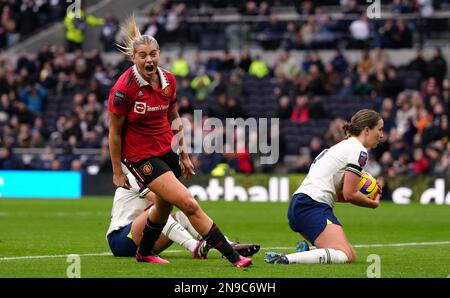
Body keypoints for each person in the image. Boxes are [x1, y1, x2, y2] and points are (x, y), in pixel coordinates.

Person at [108, 16, 252, 267]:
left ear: (159, 54)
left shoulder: (169, 81)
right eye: (142, 55)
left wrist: (183, 154)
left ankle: (143, 253)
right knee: (188, 203)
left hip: (166, 152)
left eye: (153, 54)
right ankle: (234, 256)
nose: (149, 59)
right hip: (141, 158)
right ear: (134, 58)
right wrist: (117, 171)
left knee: (163, 210)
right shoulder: (124, 89)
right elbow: (114, 133)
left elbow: (174, 118)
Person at [265, 109, 383, 264]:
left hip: (301, 204)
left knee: (349, 254)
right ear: (367, 130)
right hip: (311, 207)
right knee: (345, 255)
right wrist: (372, 203)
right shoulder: (359, 150)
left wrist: (360, 195)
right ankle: (285, 259)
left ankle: (305, 252)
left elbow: (339, 193)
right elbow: (350, 194)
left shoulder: (340, 147)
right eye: (379, 129)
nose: (382, 135)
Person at [106, 172, 261, 259]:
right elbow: (162, 201)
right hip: (120, 240)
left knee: (183, 214)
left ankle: (228, 246)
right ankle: (194, 247)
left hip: (145, 240)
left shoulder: (151, 173)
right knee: (160, 209)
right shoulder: (135, 175)